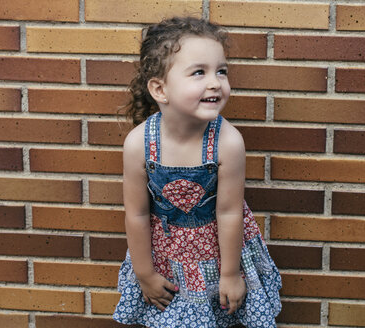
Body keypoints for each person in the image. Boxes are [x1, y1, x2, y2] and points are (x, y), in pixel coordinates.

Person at [113, 17, 281, 328]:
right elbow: (136, 214)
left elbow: (230, 212)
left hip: (219, 256)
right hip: (166, 256)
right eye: (199, 73)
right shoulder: (138, 144)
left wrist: (230, 274)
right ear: (160, 89)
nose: (215, 82)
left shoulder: (227, 142)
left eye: (221, 71)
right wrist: (145, 274)